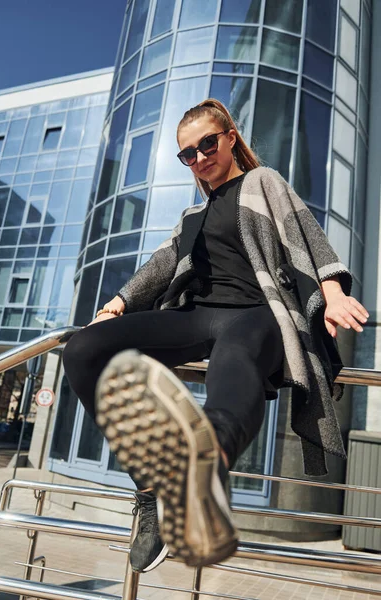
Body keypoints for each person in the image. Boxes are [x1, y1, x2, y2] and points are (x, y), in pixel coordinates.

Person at [63, 98, 369, 572]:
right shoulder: (191, 216)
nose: (201, 156)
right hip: (195, 314)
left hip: (256, 311)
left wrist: (331, 292)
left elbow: (304, 234)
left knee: (236, 363)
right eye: (189, 153)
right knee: (83, 348)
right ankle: (150, 491)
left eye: (208, 143)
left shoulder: (261, 181)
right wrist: (117, 304)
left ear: (229, 137)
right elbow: (161, 265)